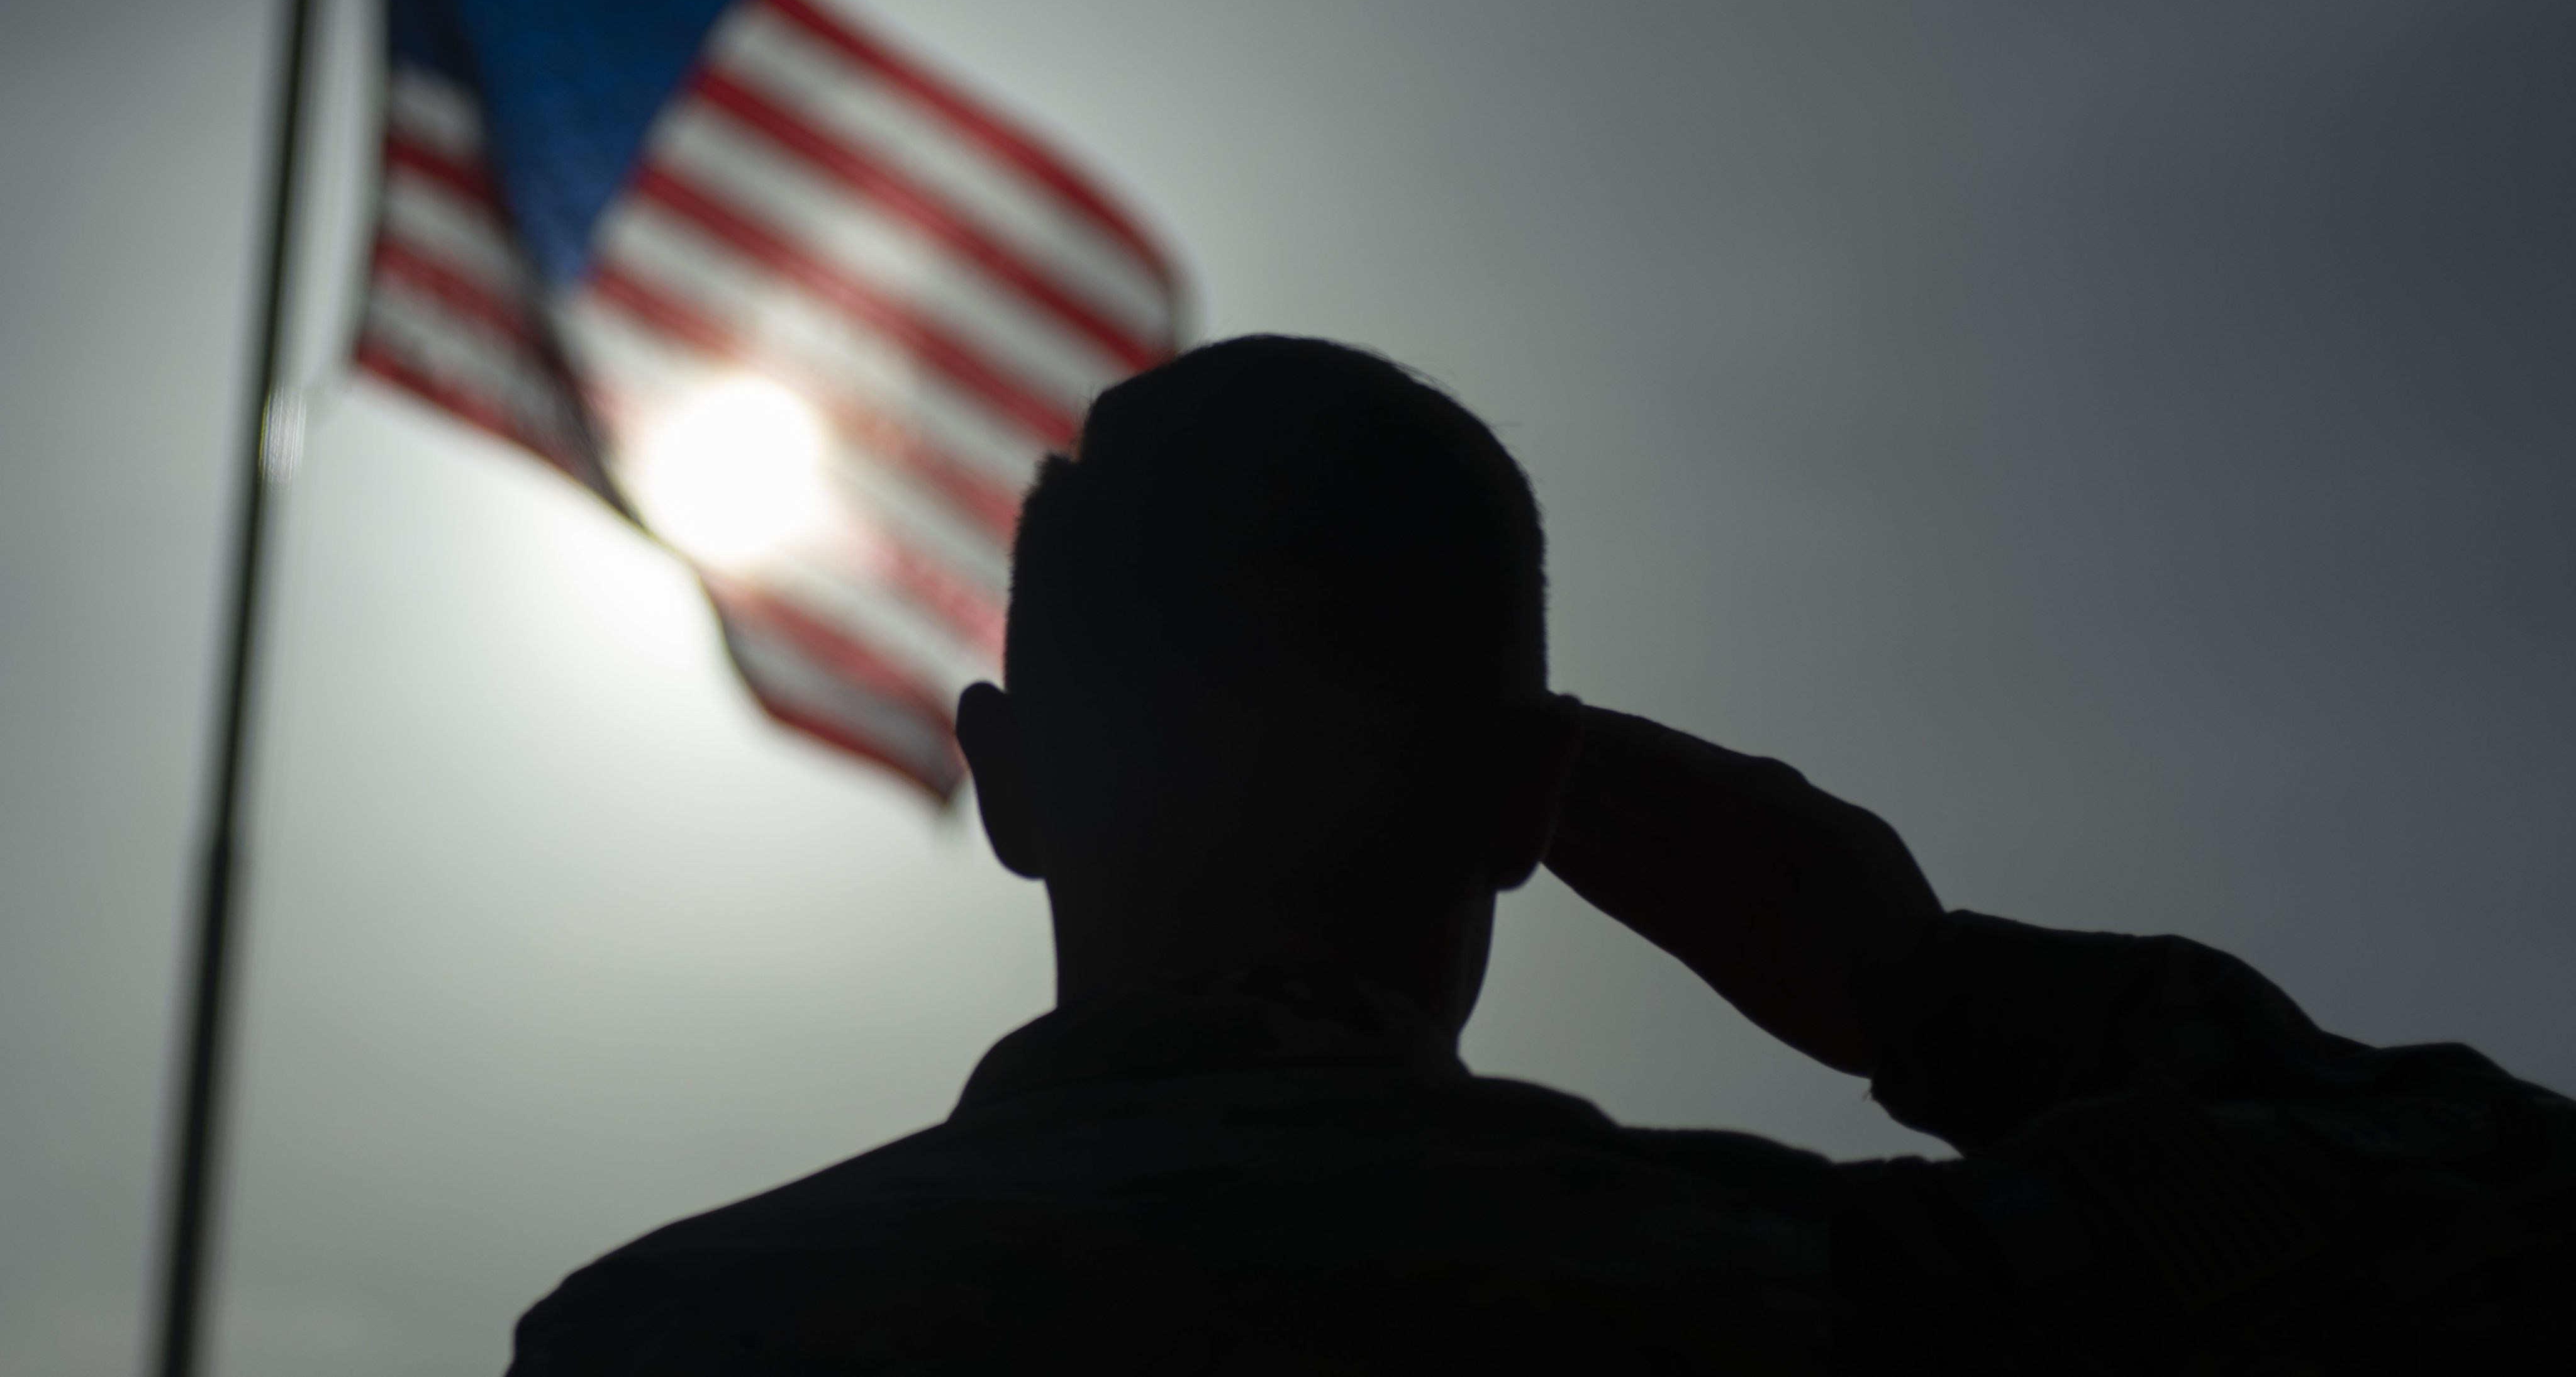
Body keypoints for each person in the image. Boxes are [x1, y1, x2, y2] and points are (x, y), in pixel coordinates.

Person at [510, 336, 2576, 1374]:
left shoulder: (660, 1336)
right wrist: (1938, 995)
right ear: (1533, 806)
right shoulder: (1829, 1292)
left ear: (1013, 780)